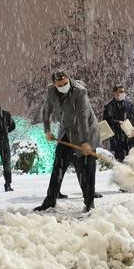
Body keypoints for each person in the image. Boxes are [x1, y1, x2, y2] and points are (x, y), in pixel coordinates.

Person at [34, 70, 100, 213]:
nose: (64, 86)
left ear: (69, 79)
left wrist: (85, 142)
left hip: (86, 131)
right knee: (59, 164)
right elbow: (46, 111)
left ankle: (89, 202)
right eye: (60, 84)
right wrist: (47, 130)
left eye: (65, 83)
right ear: (54, 84)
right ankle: (50, 201)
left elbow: (82, 117)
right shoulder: (51, 92)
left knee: (85, 169)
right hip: (67, 130)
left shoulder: (80, 92)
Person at [103, 85, 134, 162]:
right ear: (114, 93)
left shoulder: (130, 105)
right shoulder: (109, 107)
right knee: (120, 162)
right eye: (119, 92)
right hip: (117, 139)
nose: (121, 93)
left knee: (132, 161)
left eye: (123, 91)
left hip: (130, 138)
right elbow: (106, 122)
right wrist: (117, 123)